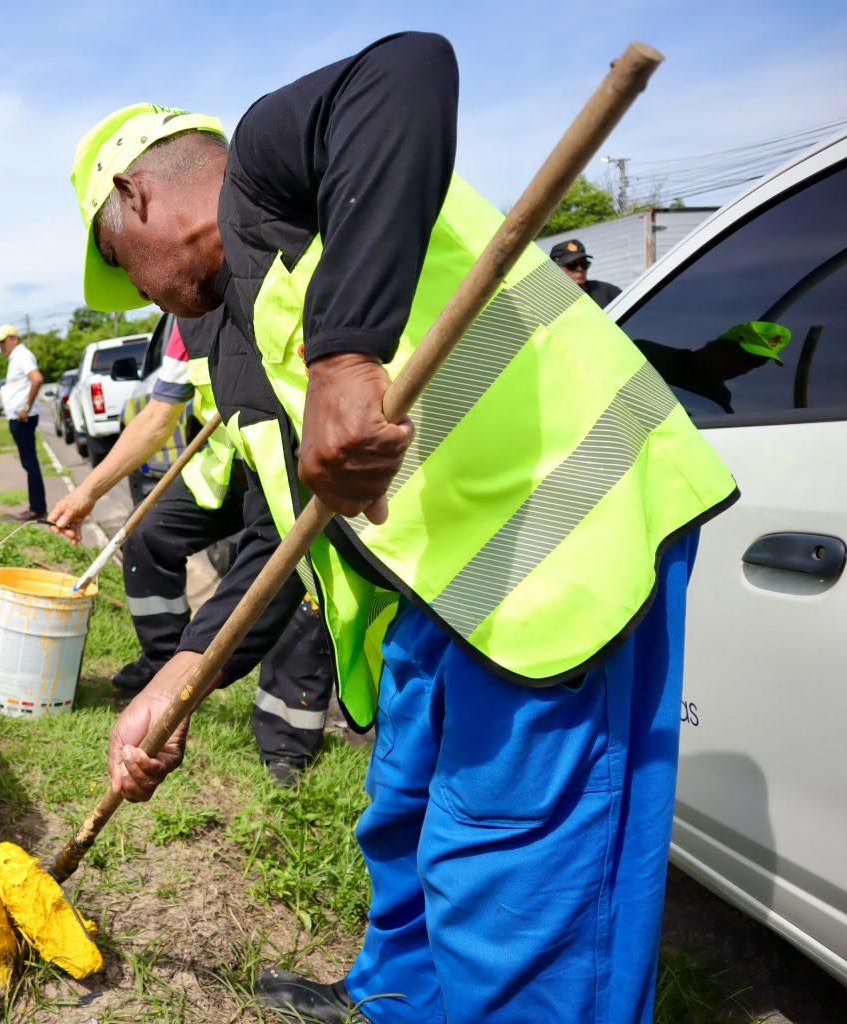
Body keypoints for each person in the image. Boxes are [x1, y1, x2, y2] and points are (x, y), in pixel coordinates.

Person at [70, 32, 735, 1024]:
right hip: (440, 599)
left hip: (557, 546)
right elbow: (284, 542)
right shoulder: (241, 335)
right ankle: (398, 1001)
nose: (149, 298)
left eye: (129, 269)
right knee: (407, 828)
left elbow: (411, 68)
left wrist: (345, 358)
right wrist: (183, 670)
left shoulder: (272, 165)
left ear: (138, 198)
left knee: (511, 887)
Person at [49, 314, 340, 782]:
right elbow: (158, 415)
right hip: (227, 471)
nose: (150, 296)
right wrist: (88, 492)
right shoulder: (187, 325)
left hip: (293, 465)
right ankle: (166, 669)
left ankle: (287, 738)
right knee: (148, 536)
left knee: (291, 575)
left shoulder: (269, 289)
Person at [633, 320, 791, 414]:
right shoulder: (645, 354)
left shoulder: (719, 399)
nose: (742, 369)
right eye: (743, 357)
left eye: (756, 364)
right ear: (717, 345)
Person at [0, 323, 46, 522]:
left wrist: (26, 407)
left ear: (14, 339)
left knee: (30, 464)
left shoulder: (22, 355)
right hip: (18, 417)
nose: (1, 346)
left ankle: (37, 509)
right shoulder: (15, 358)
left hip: (24, 418)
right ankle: (36, 506)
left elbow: (37, 379)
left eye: (4, 341)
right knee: (28, 463)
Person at [549, 238, 622, 308]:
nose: (580, 269)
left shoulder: (606, 291)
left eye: (584, 263)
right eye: (572, 265)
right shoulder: (549, 303)